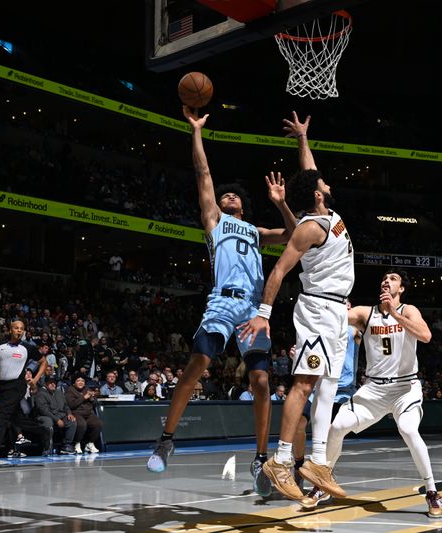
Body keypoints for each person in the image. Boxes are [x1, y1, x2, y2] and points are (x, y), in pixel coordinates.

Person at [147, 105, 297, 502]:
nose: (228, 195)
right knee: (197, 363)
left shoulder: (255, 230)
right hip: (221, 303)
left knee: (262, 381)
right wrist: (196, 131)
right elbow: (203, 174)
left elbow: (297, 235)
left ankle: (262, 458)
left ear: (243, 206)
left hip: (253, 309)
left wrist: (281, 202)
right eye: (225, 194)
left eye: (234, 195)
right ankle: (166, 439)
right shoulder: (214, 221)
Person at [239, 111, 355, 501]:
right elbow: (279, 271)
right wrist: (264, 314)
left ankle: (318, 462)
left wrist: (302, 138)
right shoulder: (309, 227)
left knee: (328, 390)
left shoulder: (328, 214)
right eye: (323, 184)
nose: (325, 181)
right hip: (318, 311)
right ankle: (282, 460)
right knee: (304, 384)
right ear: (319, 196)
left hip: (338, 311)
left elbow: (309, 170)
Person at [301, 270, 442, 518]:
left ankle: (432, 491)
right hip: (374, 390)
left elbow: (426, 335)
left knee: (409, 430)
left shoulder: (409, 310)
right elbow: (332, 321)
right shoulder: (365, 313)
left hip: (405, 388)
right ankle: (323, 484)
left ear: (401, 289)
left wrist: (395, 314)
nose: (386, 281)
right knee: (337, 427)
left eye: (393, 278)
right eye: (384, 278)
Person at [0, 320, 50, 472]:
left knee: (2, 418)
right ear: (10, 329)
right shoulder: (0, 347)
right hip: (4, 386)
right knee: (17, 418)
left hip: (18, 386)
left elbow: (44, 362)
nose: (19, 331)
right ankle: (43, 431)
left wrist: (35, 379)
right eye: (16, 328)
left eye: (22, 329)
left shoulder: (28, 348)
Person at [34, 376, 77, 454]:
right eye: (50, 383)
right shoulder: (40, 393)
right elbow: (43, 410)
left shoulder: (59, 393)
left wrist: (69, 413)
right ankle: (47, 447)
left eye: (54, 382)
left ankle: (66, 445)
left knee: (72, 421)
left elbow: (65, 405)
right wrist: (57, 420)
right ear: (45, 384)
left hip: (60, 415)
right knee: (48, 422)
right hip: (45, 416)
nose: (53, 384)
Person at [65, 375, 103, 454]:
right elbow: (71, 405)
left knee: (98, 423)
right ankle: (77, 443)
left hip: (88, 413)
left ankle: (90, 443)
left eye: (82, 381)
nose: (81, 382)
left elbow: (95, 403)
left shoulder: (87, 389)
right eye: (78, 381)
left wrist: (92, 399)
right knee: (82, 424)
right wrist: (84, 397)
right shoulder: (70, 390)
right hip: (76, 413)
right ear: (74, 383)